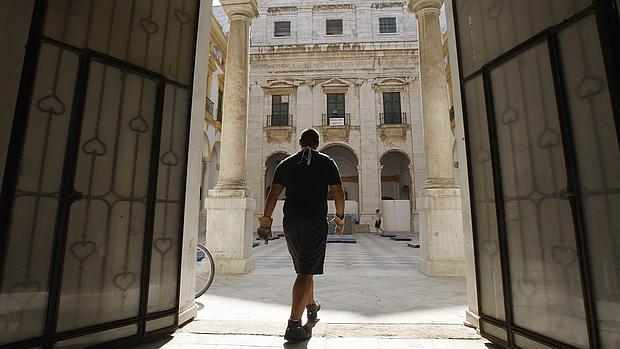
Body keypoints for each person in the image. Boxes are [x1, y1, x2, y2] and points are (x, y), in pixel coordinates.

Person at [256, 128, 345, 343]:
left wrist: (266, 222)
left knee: (305, 267)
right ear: (317, 143)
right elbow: (338, 193)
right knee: (305, 271)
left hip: (291, 222)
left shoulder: (285, 164)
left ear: (299, 142)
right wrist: (340, 218)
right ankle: (294, 325)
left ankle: (311, 307)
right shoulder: (326, 162)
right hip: (314, 222)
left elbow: (274, 193)